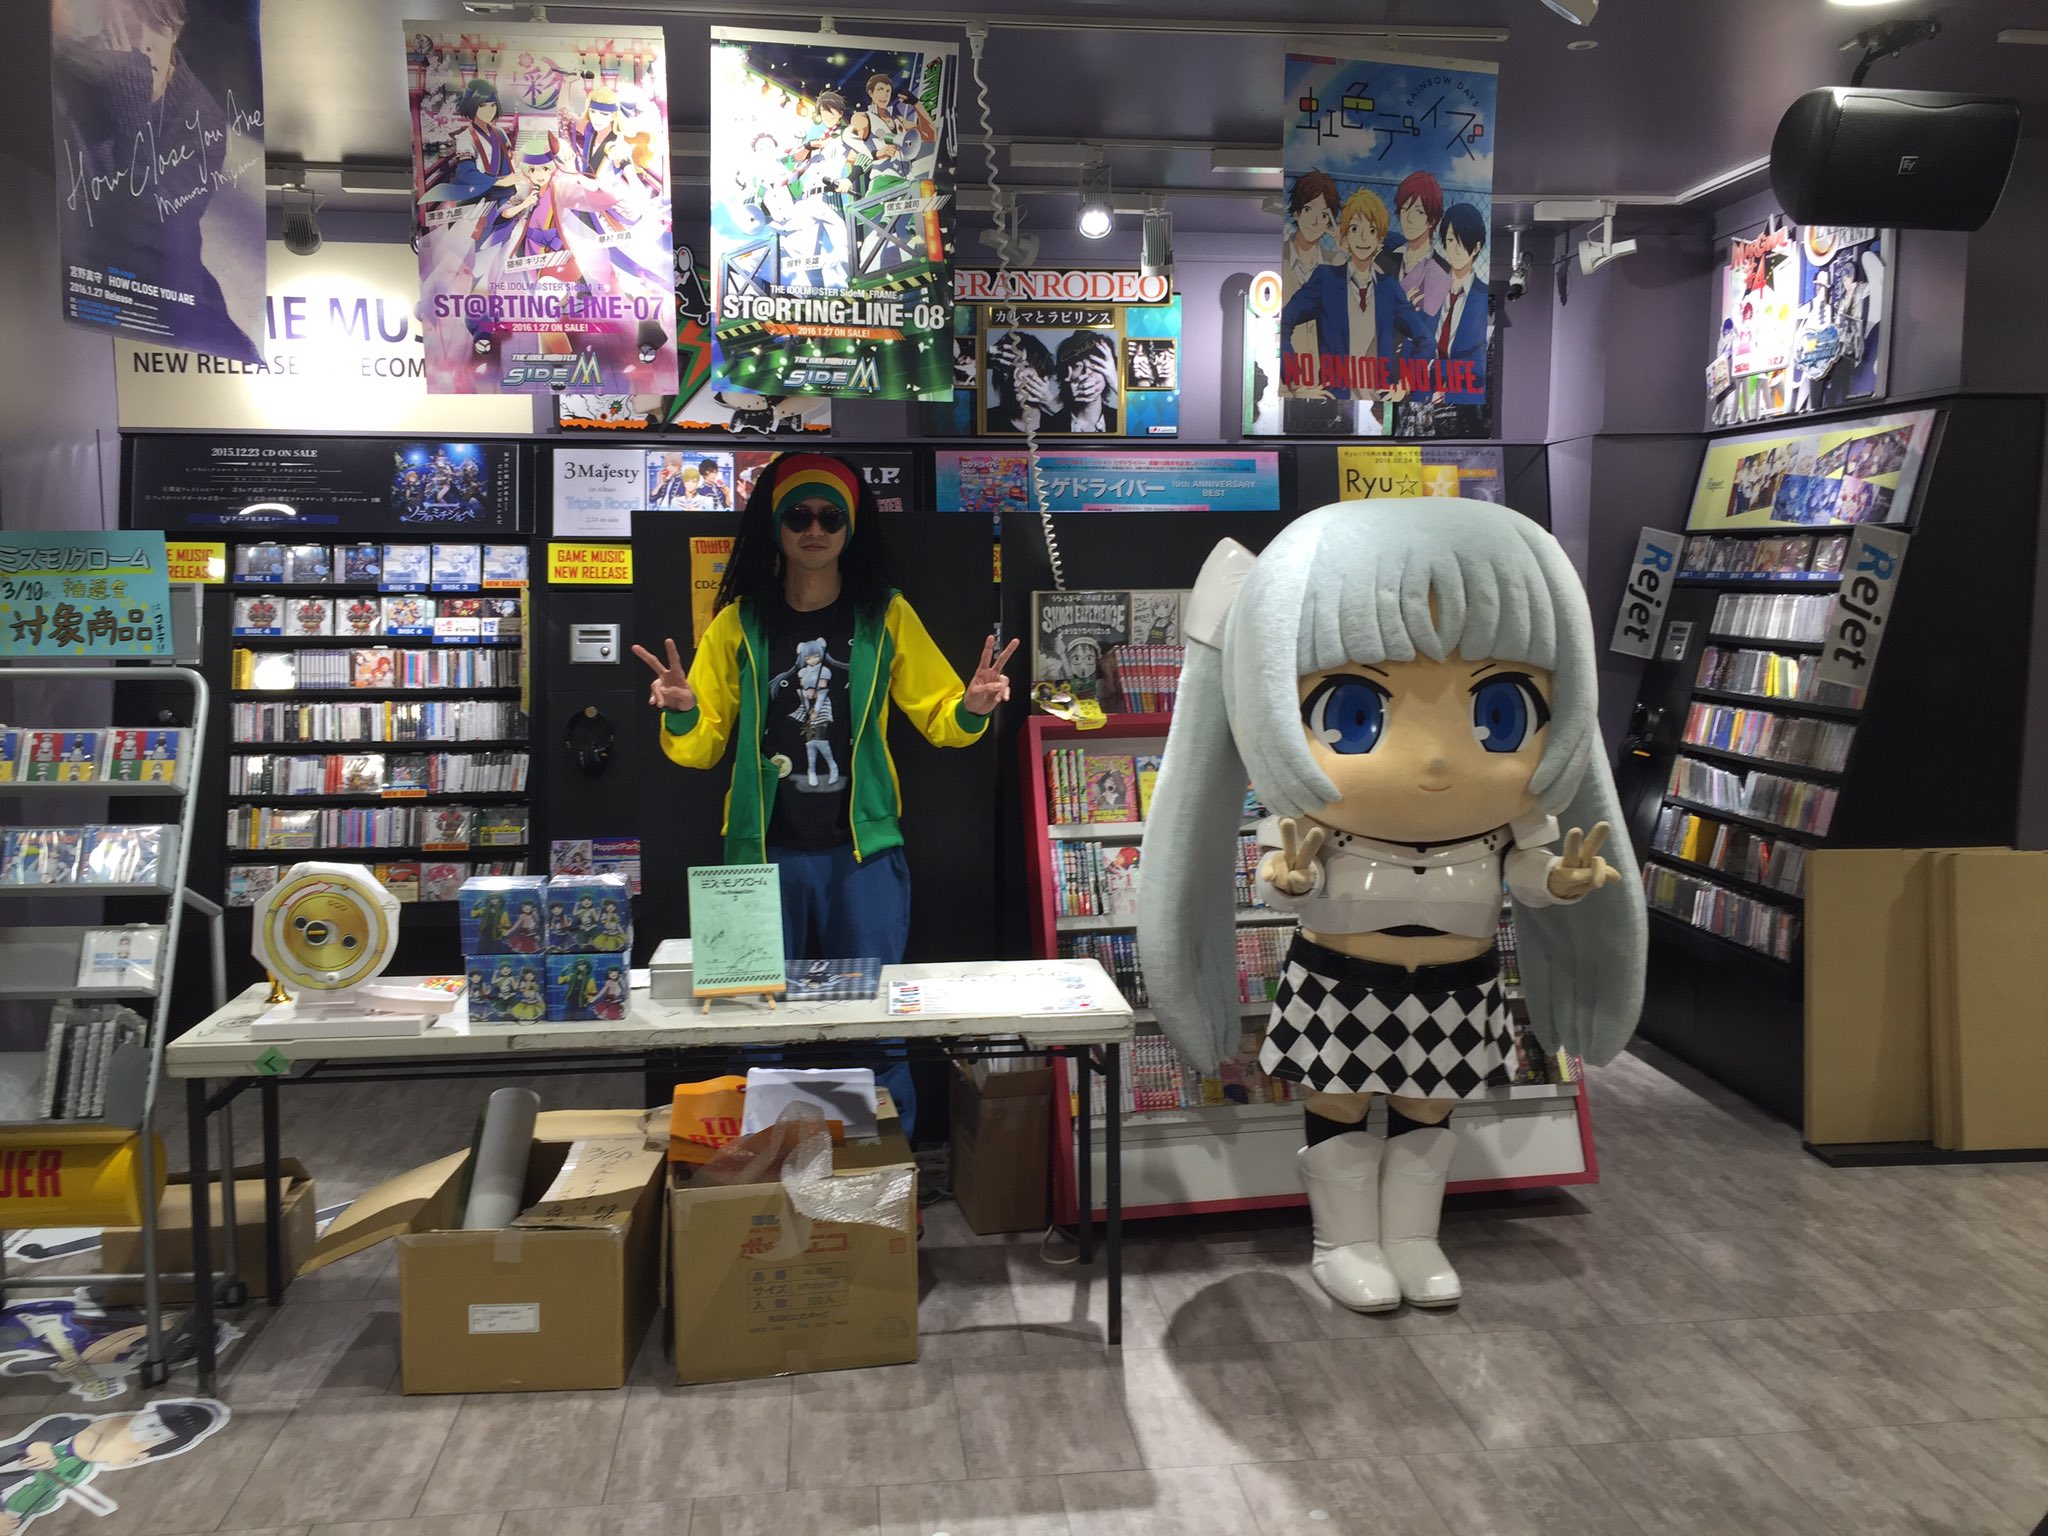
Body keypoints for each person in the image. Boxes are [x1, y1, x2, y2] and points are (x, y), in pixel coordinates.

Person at [1140, 500, 1644, 1313]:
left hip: (1457, 982)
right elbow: (1280, 876)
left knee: (1428, 1109)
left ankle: (1413, 1238)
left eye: (1501, 713)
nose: (1438, 758)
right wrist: (1289, 882)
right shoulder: (1311, 823)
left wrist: (1559, 882)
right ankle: (1342, 1243)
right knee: (1337, 1106)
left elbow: (1525, 874)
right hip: (1339, 978)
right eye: (1353, 713)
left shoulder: (1509, 823)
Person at [634, 453, 1019, 1135]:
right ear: (776, 526)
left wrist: (972, 708)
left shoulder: (884, 615)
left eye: (830, 516)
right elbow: (701, 747)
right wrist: (684, 712)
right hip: (757, 857)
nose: (814, 529)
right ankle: (765, 1174)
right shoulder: (738, 623)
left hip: (863, 855)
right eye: (799, 515)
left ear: (850, 527)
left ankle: (884, 1173)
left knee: (877, 1028)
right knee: (755, 1027)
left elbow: (939, 716)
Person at [1278, 188, 1435, 404]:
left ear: (1379, 238)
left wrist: (1405, 384)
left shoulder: (1389, 287)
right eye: (1354, 229)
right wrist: (1295, 383)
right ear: (1345, 236)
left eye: (1371, 230)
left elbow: (1426, 340)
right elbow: (1283, 324)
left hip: (1379, 404)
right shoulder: (1326, 279)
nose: (1363, 237)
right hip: (1335, 402)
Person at [987, 332, 1067, 434]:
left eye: (1024, 366)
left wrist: (1051, 404)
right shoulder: (986, 419)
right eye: (1008, 368)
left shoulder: (1059, 422)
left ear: (1043, 373)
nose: (1016, 376)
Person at [1057, 331, 1120, 433]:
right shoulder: (1049, 425)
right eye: (1078, 366)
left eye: (1096, 364)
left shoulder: (1124, 420)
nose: (1087, 373)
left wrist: (1116, 384)